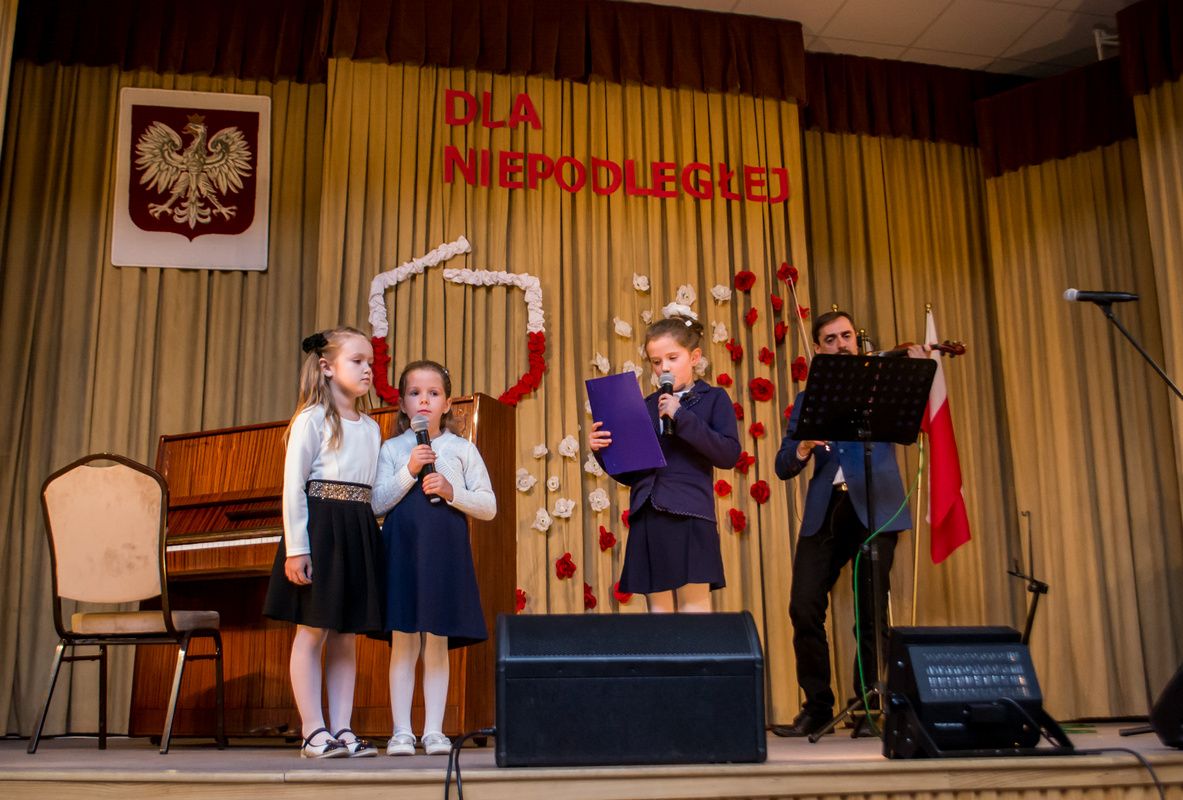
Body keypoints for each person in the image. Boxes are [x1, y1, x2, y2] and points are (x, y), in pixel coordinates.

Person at [773, 310, 925, 738]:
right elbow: (783, 465)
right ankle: (818, 706)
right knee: (803, 606)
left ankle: (868, 704)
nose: (841, 344)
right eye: (831, 339)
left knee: (870, 610)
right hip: (827, 508)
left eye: (846, 336)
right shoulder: (808, 399)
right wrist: (803, 446)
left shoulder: (882, 385)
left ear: (856, 341)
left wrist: (914, 374)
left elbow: (910, 425)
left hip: (876, 505)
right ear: (818, 348)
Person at [262, 327, 385, 759]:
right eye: (357, 361)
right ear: (327, 367)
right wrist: (298, 548)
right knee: (312, 630)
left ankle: (343, 728)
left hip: (357, 529)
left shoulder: (371, 428)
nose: (368, 370)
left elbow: (373, 493)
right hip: (322, 530)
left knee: (346, 634)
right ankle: (313, 730)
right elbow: (293, 486)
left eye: (371, 363)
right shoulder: (312, 419)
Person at [372, 360, 496, 757]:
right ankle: (401, 731)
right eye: (414, 393)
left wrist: (451, 491)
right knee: (404, 640)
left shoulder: (461, 449)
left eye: (433, 393)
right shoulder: (392, 449)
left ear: (447, 403)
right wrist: (409, 470)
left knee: (437, 640)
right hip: (403, 552)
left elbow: (489, 506)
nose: (424, 400)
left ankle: (434, 731)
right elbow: (376, 503)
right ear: (403, 405)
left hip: (444, 552)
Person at [588, 311, 741, 613]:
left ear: (694, 357)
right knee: (658, 620)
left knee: (694, 614)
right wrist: (602, 451)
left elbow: (728, 454)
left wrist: (680, 415)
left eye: (672, 358)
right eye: (656, 362)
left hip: (690, 514)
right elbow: (633, 472)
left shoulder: (713, 398)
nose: (664, 368)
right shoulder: (644, 406)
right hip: (648, 514)